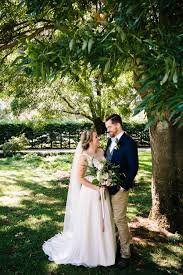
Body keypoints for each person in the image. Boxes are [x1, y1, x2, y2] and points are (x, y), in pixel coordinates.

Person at [42, 129, 116, 267]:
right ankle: (90, 252)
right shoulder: (83, 157)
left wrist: (107, 180)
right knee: (92, 221)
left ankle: (106, 252)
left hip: (103, 190)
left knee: (104, 219)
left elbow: (106, 169)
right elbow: (79, 179)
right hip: (90, 193)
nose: (98, 138)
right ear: (89, 141)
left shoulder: (101, 152)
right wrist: (96, 188)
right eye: (95, 137)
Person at [105, 114, 139, 269]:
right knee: (109, 218)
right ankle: (113, 247)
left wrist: (123, 187)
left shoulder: (129, 143)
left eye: (109, 127)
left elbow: (133, 167)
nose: (108, 130)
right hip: (106, 187)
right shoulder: (109, 140)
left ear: (117, 125)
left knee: (119, 219)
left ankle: (125, 254)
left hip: (120, 189)